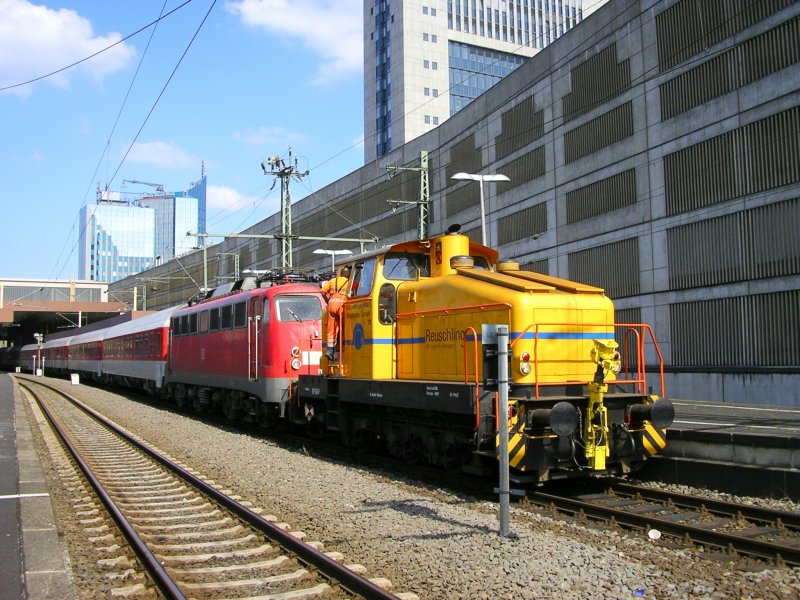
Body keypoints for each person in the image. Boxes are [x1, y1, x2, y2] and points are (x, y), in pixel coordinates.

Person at [321, 266, 350, 360]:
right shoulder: (350, 282)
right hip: (342, 305)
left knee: (331, 329)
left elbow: (323, 292)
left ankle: (330, 350)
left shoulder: (333, 281)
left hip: (332, 304)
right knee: (344, 326)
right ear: (348, 275)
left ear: (341, 273)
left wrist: (327, 301)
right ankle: (342, 345)